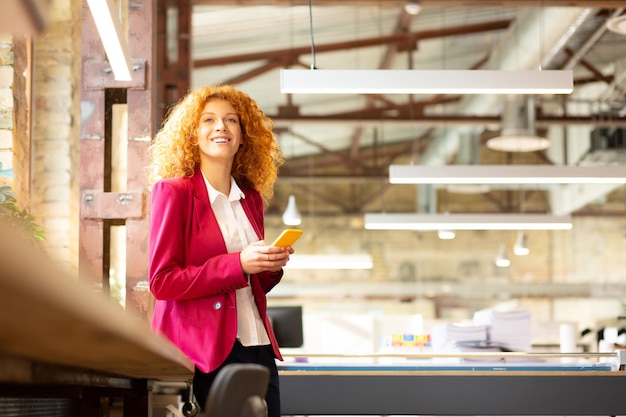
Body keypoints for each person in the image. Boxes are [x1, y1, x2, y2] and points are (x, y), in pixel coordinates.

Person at [147, 84, 293, 417]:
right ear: (192, 134)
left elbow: (250, 284)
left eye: (231, 120)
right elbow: (163, 282)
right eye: (208, 120)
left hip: (257, 344)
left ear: (243, 136)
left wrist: (269, 265)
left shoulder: (250, 198)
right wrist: (239, 263)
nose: (220, 127)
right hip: (203, 351)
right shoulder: (174, 192)